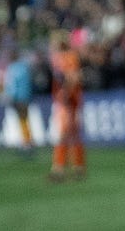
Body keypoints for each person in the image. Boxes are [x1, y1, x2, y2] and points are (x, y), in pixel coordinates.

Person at [47, 31, 85, 182]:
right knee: (72, 133)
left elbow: (74, 77)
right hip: (64, 98)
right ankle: (78, 166)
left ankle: (59, 168)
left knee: (64, 133)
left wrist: (66, 93)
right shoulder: (58, 58)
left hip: (69, 100)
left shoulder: (69, 57)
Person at [2, 50, 36, 158]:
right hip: (26, 97)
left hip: (18, 98)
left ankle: (27, 143)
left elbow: (12, 85)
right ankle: (28, 141)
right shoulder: (25, 67)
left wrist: (10, 96)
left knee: (22, 120)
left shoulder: (12, 69)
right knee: (25, 120)